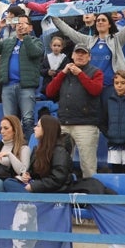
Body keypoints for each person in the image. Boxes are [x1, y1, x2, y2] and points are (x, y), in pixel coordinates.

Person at [44, 43, 105, 180]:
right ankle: (63, 194)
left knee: (88, 166)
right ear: (72, 56)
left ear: (89, 57)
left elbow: (95, 90)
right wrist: (62, 73)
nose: (80, 56)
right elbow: (49, 91)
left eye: (83, 53)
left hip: (86, 125)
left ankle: (90, 196)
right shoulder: (64, 73)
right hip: (64, 124)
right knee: (60, 163)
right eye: (77, 53)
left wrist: (81, 74)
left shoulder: (96, 72)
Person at [0, 14, 44, 133]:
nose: (20, 26)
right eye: (18, 24)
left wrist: (26, 37)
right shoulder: (8, 42)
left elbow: (34, 53)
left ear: (31, 27)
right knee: (9, 121)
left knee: (27, 120)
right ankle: (12, 148)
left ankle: (27, 147)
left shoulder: (36, 42)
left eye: (23, 23)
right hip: (7, 86)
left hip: (26, 87)